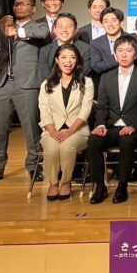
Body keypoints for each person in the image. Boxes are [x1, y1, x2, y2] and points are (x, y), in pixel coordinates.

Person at [0, 0, 50, 184]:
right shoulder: (3, 26)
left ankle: (34, 166)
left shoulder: (39, 26)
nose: (19, 7)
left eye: (23, 4)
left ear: (33, 8)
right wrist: (1, 26)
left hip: (27, 84)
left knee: (31, 129)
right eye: (16, 4)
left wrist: (16, 31)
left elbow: (43, 34)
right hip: (1, 83)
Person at [88, 35, 137, 204]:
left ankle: (122, 186)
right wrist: (100, 125)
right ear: (115, 54)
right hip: (111, 127)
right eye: (120, 50)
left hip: (134, 129)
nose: (124, 55)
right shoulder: (106, 77)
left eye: (129, 50)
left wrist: (134, 126)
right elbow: (102, 106)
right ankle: (100, 186)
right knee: (94, 140)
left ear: (136, 54)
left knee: (126, 140)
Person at [38, 44, 94, 201]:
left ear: (77, 61)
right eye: (63, 57)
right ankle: (53, 183)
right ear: (57, 60)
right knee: (51, 148)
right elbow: (44, 110)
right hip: (52, 129)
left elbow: (86, 109)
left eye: (72, 57)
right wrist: (52, 131)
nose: (68, 61)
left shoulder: (86, 82)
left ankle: (65, 182)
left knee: (66, 147)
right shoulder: (47, 84)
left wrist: (70, 131)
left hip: (77, 130)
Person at [38, 12, 92, 83]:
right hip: (51, 87)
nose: (64, 30)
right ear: (54, 30)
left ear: (76, 30)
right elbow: (45, 76)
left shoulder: (86, 48)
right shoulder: (45, 50)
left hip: (77, 86)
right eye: (60, 27)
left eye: (69, 27)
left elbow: (84, 73)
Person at [89, 7, 126, 88]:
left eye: (114, 20)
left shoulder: (132, 39)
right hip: (106, 86)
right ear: (102, 24)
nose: (110, 24)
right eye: (106, 21)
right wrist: (116, 57)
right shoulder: (95, 43)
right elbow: (96, 67)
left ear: (121, 22)